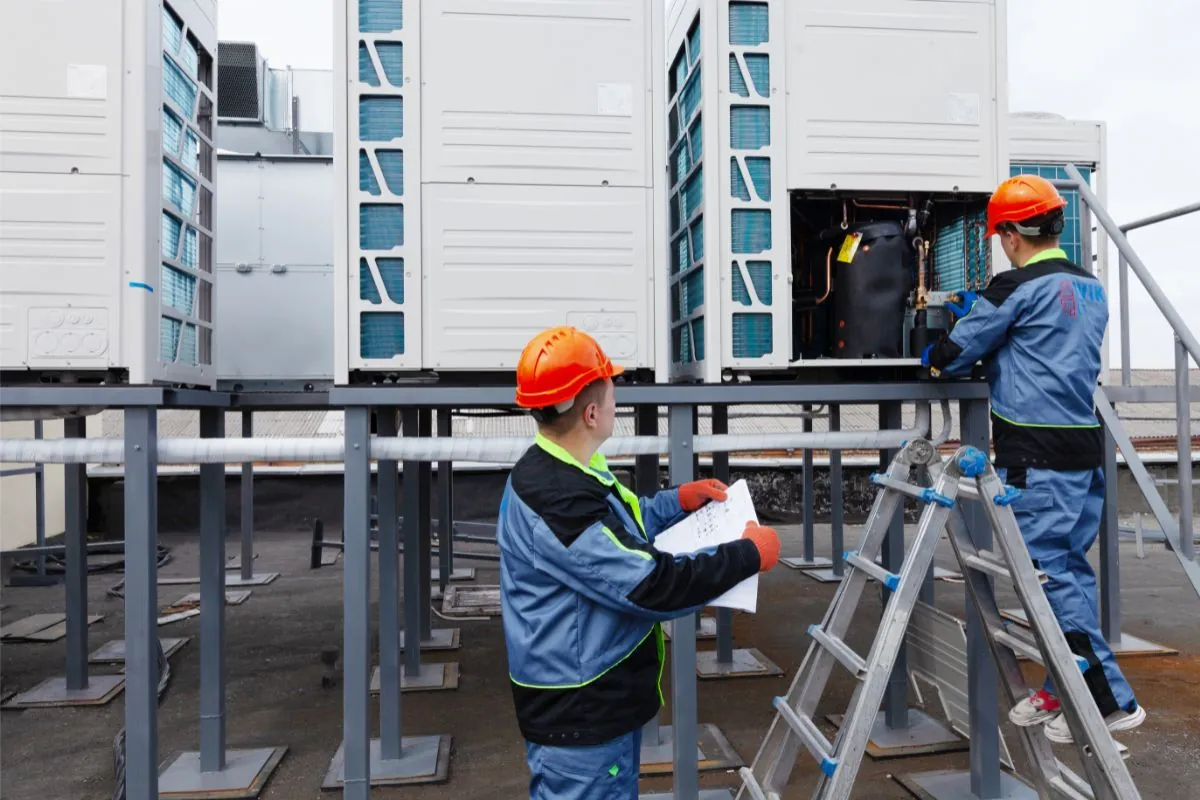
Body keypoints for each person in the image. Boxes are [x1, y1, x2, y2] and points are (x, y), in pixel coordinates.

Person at [496, 325, 781, 799]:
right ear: (590, 413)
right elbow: (652, 585)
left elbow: (618, 529)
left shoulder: (561, 468)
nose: (616, 404)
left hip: (590, 707)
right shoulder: (559, 503)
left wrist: (676, 502)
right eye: (612, 395)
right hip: (582, 718)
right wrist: (747, 555)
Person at [922, 174, 1146, 744]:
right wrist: (993, 309)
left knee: (1046, 578)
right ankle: (1063, 685)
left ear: (1012, 235)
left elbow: (953, 355)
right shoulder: (1089, 286)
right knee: (1068, 571)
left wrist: (938, 348)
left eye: (1000, 236)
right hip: (1083, 447)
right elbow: (1043, 337)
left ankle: (1109, 699)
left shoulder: (1013, 286)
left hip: (1036, 453)